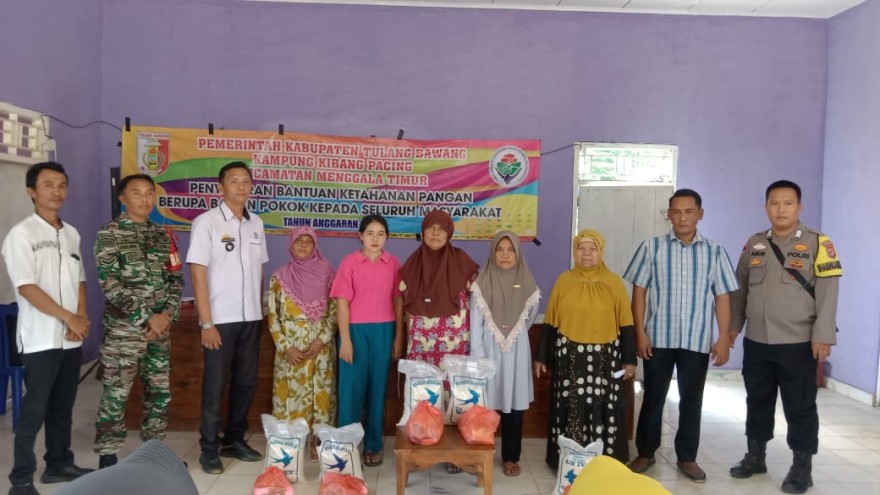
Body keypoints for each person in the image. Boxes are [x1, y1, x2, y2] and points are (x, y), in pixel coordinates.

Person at [729, 180, 840, 494]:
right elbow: (739, 290)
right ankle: (756, 456)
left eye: (788, 203)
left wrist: (823, 335)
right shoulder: (754, 243)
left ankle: (802, 468)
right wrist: (733, 328)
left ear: (799, 207)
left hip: (798, 342)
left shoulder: (819, 243)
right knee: (757, 400)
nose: (781, 209)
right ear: (766, 207)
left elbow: (829, 292)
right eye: (774, 203)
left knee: (800, 405)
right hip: (758, 341)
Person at [622, 188, 739, 483]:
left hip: (696, 340)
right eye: (676, 211)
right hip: (658, 338)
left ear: (700, 214)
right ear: (669, 215)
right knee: (653, 397)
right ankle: (646, 452)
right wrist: (639, 332)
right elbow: (639, 292)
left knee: (692, 399)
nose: (682, 217)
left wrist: (722, 338)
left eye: (689, 211)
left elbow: (723, 296)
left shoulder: (714, 252)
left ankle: (687, 457)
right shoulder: (652, 248)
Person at [2, 161, 94, 495]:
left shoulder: (70, 233)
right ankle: (21, 479)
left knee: (62, 407)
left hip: (71, 338)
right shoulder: (21, 234)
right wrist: (68, 317)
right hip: (41, 338)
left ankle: (58, 464)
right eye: (48, 185)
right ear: (32, 191)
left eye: (62, 185)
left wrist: (80, 316)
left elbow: (80, 279)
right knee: (33, 411)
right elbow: (26, 286)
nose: (56, 191)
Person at [93, 174, 184, 469]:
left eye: (149, 193)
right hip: (124, 332)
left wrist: (166, 316)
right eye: (137, 193)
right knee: (116, 394)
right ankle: (108, 457)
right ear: (123, 198)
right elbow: (110, 283)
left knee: (159, 394)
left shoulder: (162, 234)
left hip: (160, 332)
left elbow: (176, 279)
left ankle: (154, 454)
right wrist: (147, 318)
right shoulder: (109, 233)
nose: (144, 199)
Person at [186, 161, 268, 475]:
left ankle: (234, 439)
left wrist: (259, 312)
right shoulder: (206, 222)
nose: (241, 186)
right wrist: (206, 323)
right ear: (221, 187)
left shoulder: (256, 223)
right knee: (216, 384)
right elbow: (198, 273)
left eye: (246, 181)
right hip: (219, 319)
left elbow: (259, 269)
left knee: (246, 381)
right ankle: (209, 448)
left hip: (251, 319)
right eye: (234, 181)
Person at [534, 229, 636, 466]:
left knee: (605, 407)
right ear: (575, 252)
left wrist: (629, 360)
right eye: (581, 248)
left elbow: (626, 323)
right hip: (569, 357)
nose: (587, 253)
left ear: (601, 252)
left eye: (593, 249)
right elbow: (550, 321)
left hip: (606, 358)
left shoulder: (614, 283)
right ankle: (568, 462)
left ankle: (606, 462)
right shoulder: (564, 282)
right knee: (571, 407)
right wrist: (541, 357)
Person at [329, 214, 403, 468]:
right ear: (360, 236)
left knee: (377, 390)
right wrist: (345, 340)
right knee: (350, 391)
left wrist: (398, 337)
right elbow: (342, 303)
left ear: (387, 237)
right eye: (370, 233)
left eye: (380, 234)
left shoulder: (393, 263)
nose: (375, 239)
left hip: (384, 331)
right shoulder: (349, 262)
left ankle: (373, 445)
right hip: (354, 332)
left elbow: (398, 302)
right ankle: (345, 448)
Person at [469, 231, 540, 477]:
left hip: (517, 352)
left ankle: (511, 457)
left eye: (511, 250)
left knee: (514, 405)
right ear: (492, 253)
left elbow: (529, 319)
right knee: (485, 406)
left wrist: (510, 335)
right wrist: (479, 360)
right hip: (488, 352)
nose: (505, 254)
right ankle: (481, 454)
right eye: (500, 249)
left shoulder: (529, 286)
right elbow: (475, 325)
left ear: (518, 253)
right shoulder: (481, 285)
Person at [267, 226, 337, 454]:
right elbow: (273, 316)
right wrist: (286, 347)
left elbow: (334, 312)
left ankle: (319, 443)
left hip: (320, 351)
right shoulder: (280, 277)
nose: (304, 245)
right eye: (299, 241)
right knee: (291, 397)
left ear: (315, 246)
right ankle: (289, 445)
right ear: (291, 244)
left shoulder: (327, 273)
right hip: (291, 353)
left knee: (320, 397)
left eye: (309, 241)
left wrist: (321, 340)